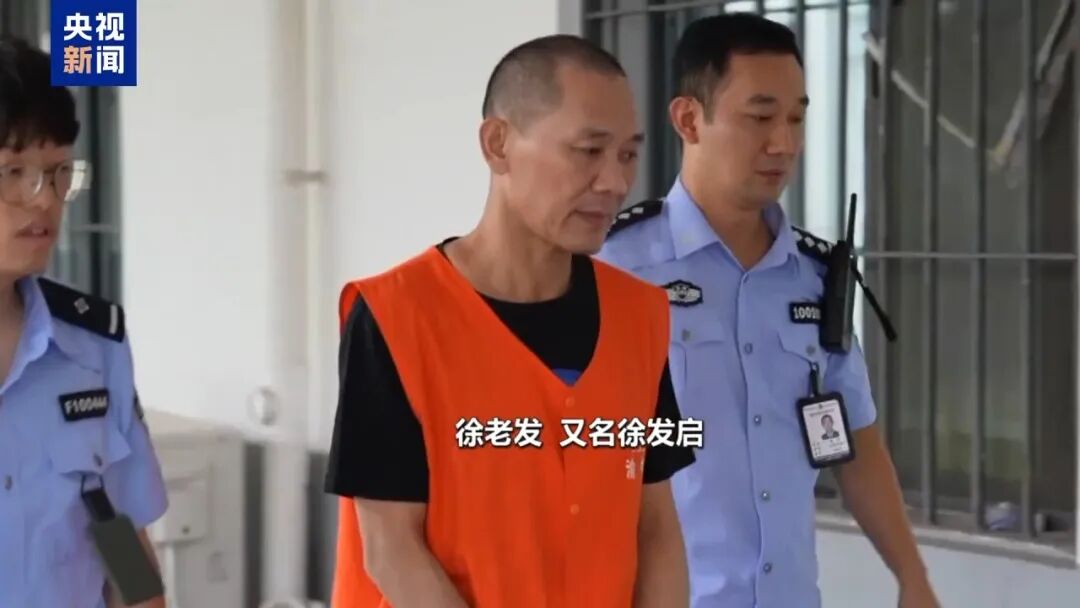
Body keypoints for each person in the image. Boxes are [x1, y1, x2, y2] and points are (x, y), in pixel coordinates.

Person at [325, 34, 694, 608]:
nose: (616, 183)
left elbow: (657, 527)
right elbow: (392, 548)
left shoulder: (640, 316)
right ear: (498, 144)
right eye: (588, 151)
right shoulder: (395, 317)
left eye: (628, 155)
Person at [597, 14, 940, 608]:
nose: (784, 143)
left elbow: (853, 440)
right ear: (688, 120)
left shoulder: (815, 278)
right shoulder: (614, 267)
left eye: (796, 119)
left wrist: (912, 576)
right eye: (759, 117)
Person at [0, 37, 168, 608]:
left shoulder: (93, 349)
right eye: (13, 172)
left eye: (57, 173)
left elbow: (117, 532)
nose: (44, 200)